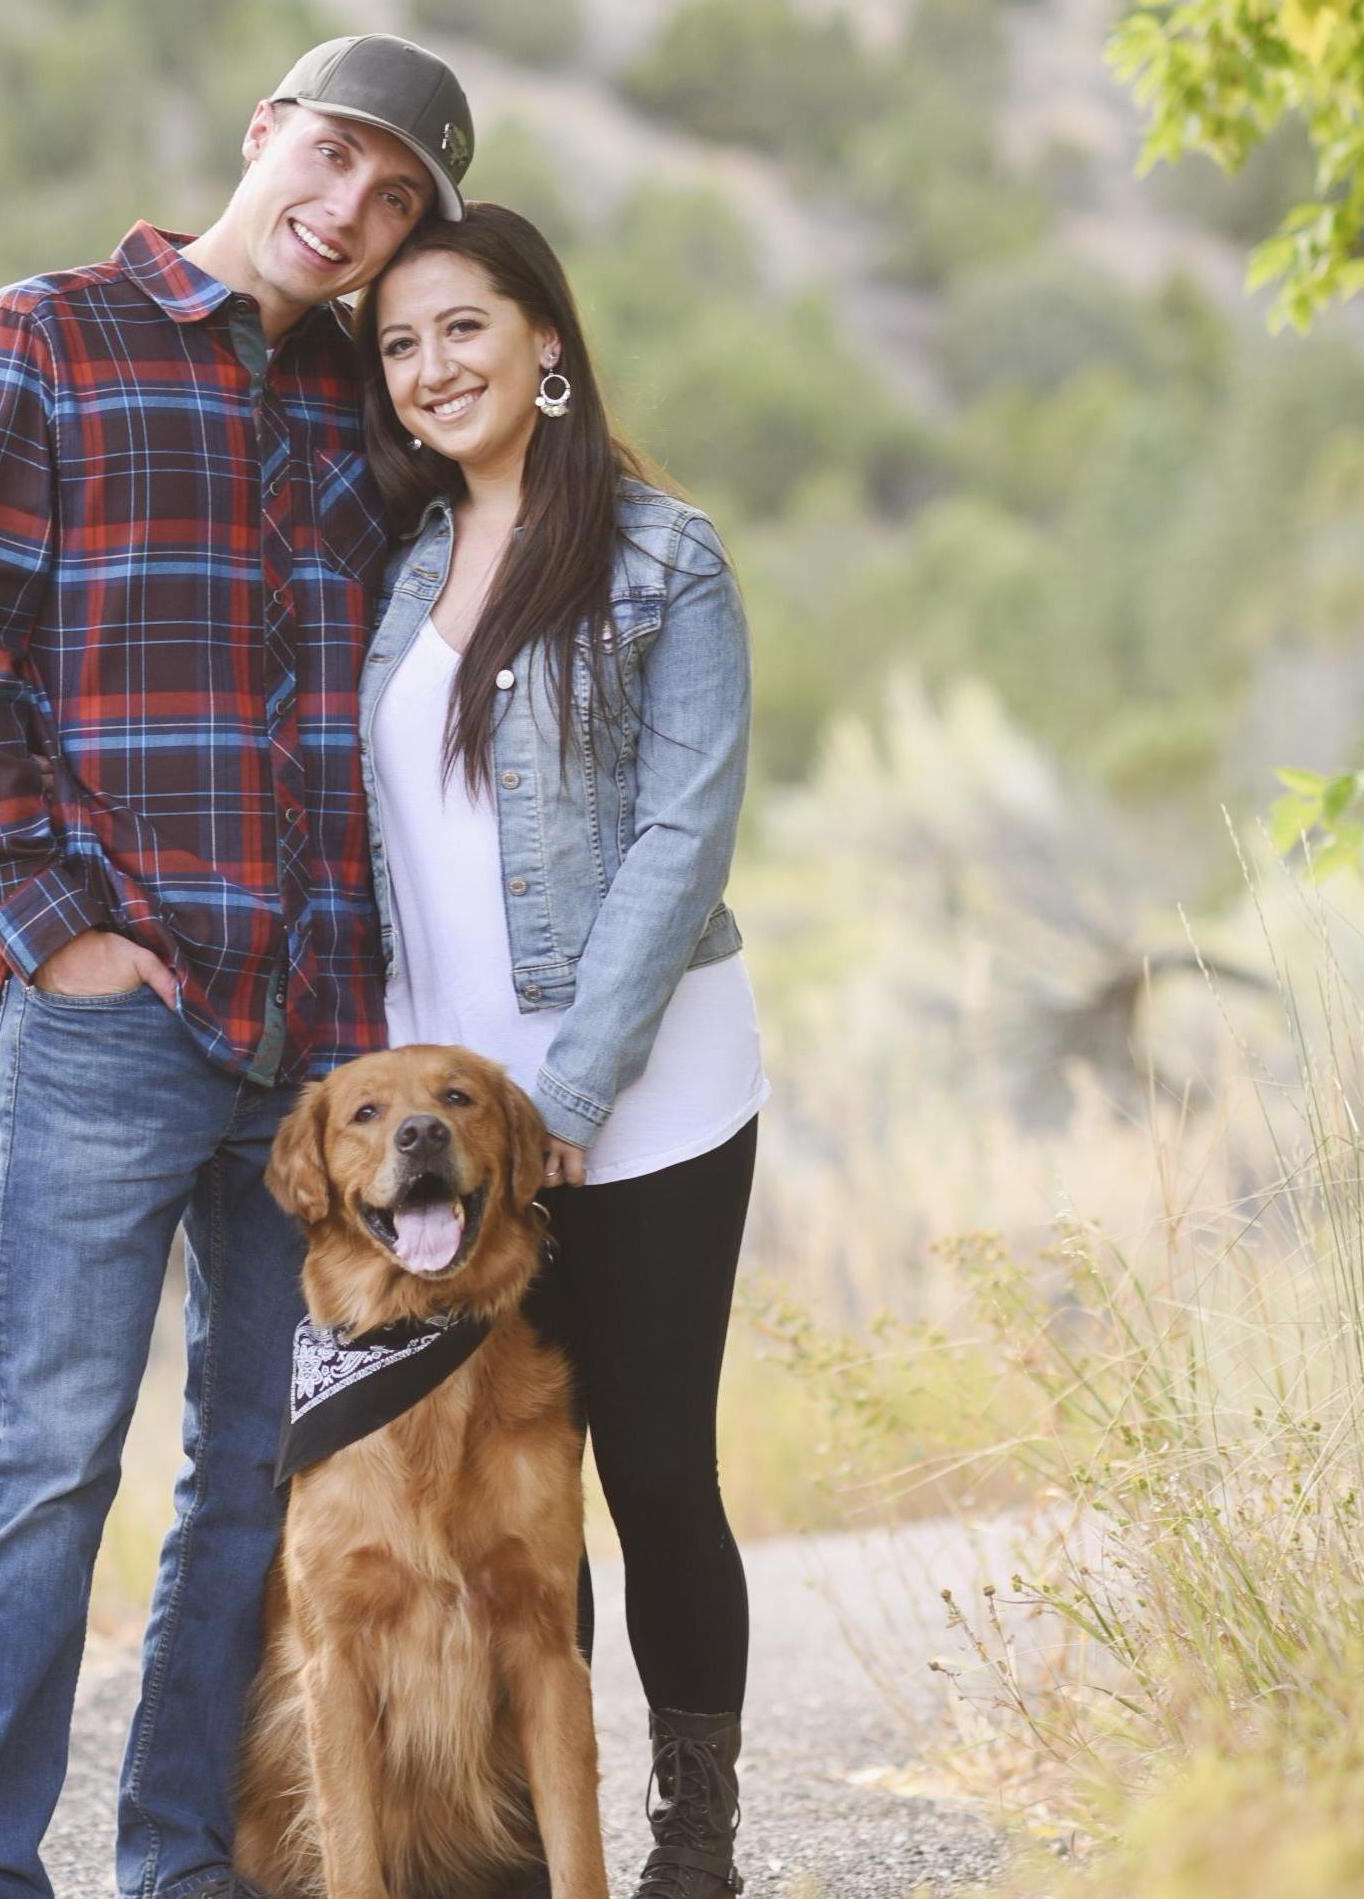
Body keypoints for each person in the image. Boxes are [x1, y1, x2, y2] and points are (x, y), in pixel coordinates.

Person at [0, 36, 473, 1899]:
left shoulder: (365, 403)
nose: (352, 212)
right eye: (338, 158)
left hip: (322, 1046)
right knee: (50, 1455)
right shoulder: (45, 340)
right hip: (115, 1027)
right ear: (264, 130)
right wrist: (54, 931)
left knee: (253, 1468)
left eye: (396, 201)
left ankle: (177, 1861)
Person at [354, 203, 768, 1898]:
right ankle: (540, 1851)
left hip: (650, 1102)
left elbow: (683, 841)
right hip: (455, 1135)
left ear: (546, 342)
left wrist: (573, 1094)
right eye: (398, 345)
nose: (430, 368)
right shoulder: (398, 570)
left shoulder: (668, 561)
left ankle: (694, 1842)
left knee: (655, 1470)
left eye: (462, 327)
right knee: (515, 1487)